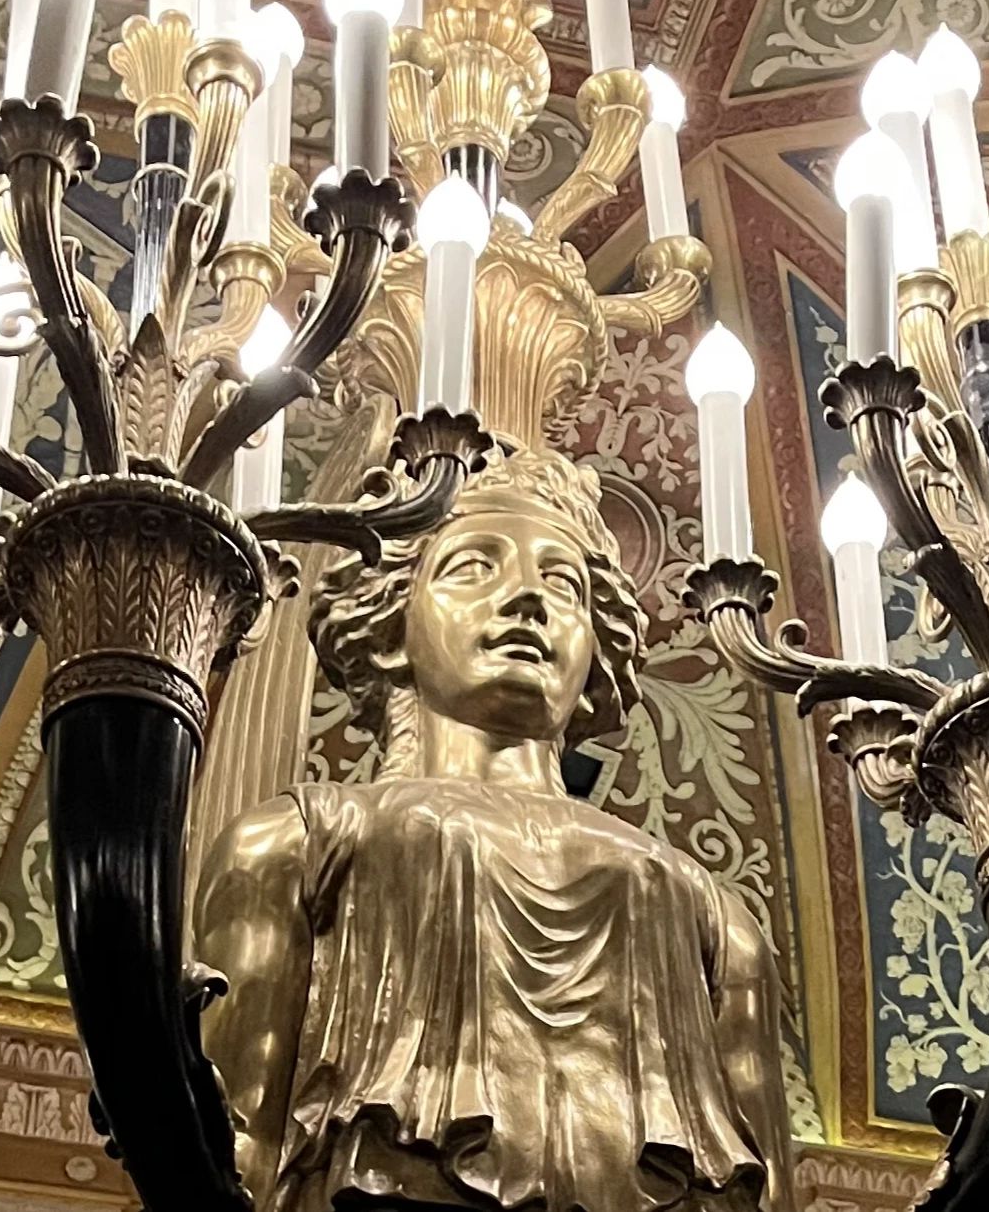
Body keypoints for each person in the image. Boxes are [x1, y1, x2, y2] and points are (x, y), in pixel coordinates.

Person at [196, 447, 792, 1211]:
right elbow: (222, 1161)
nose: (527, 601)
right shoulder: (291, 846)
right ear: (389, 623)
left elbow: (773, 1196)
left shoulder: (711, 916)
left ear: (596, 648)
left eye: (563, 584)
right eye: (473, 567)